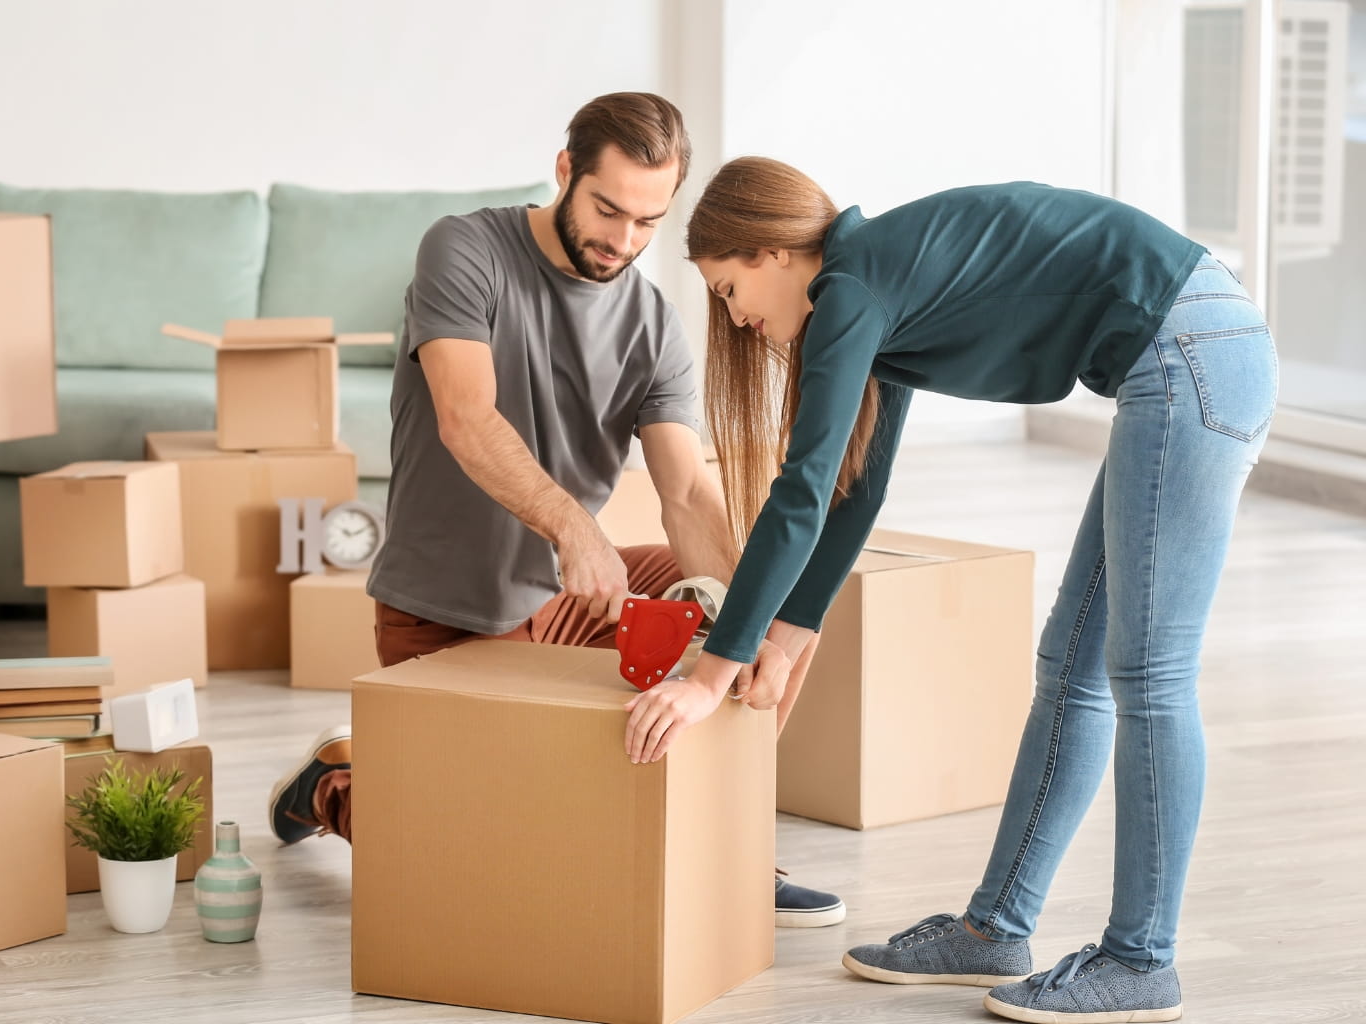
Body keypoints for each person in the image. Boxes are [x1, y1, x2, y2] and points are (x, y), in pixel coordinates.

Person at [624, 156, 1276, 1022]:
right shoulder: (875, 285)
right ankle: (994, 931)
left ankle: (1140, 961)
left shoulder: (853, 286)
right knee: (1071, 668)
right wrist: (786, 632)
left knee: (1149, 674)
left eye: (729, 289)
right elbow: (856, 491)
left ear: (773, 252)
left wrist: (711, 676)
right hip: (1183, 352)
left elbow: (802, 489)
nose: (737, 318)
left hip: (1192, 349)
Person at [267, 97, 846, 928]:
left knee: (770, 600)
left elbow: (686, 493)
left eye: (648, 222)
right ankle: (334, 785)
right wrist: (575, 528)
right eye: (608, 209)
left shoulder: (652, 323)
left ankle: (730, 843)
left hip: (574, 602)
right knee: (502, 872)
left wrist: (745, 629)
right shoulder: (464, 250)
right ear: (566, 170)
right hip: (450, 616)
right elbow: (466, 418)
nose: (623, 239)